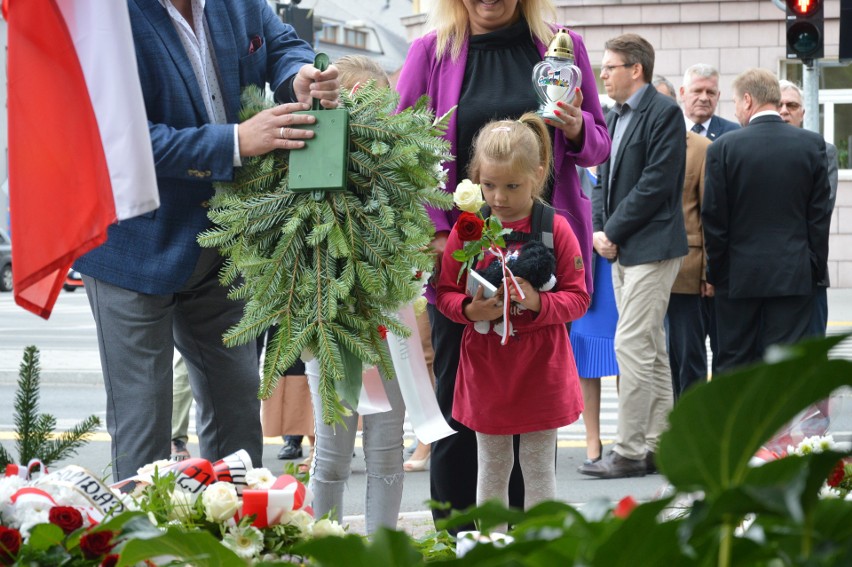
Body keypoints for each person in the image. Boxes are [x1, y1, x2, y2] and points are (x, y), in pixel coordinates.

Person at [74, 0, 340, 481]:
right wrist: (236, 141)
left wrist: (299, 72)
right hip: (131, 247)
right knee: (144, 432)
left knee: (238, 420)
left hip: (224, 241)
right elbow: (119, 137)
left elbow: (280, 43)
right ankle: (145, 553)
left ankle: (232, 544)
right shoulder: (103, 16)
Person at [395, 0, 610, 525]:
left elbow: (598, 145)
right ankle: (459, 533)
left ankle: (531, 534)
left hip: (543, 257)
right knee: (456, 402)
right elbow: (405, 153)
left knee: (535, 407)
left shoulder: (562, 46)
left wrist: (576, 124)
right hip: (462, 253)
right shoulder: (430, 52)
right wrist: (441, 234)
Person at [436, 113, 590, 513]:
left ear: (538, 175)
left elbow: (578, 298)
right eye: (488, 185)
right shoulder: (468, 229)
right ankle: (492, 550)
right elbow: (445, 294)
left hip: (542, 367)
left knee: (538, 467)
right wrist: (471, 309)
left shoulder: (555, 228)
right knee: (492, 465)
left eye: (512, 186)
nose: (499, 197)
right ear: (475, 178)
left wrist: (538, 302)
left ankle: (541, 547)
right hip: (488, 368)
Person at [305, 54, 407, 535]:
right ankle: (323, 549)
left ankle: (381, 550)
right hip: (330, 331)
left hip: (389, 330)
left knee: (388, 451)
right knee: (330, 457)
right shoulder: (308, 171)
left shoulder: (396, 178)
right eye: (360, 109)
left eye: (381, 109)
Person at [579, 33, 687, 480]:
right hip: (622, 247)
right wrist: (599, 230)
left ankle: (627, 451)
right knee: (652, 349)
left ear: (635, 69)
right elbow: (601, 179)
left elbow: (657, 184)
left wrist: (614, 230)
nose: (602, 74)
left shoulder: (663, 113)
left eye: (610, 66)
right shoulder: (613, 115)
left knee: (630, 345)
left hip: (653, 247)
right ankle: (662, 445)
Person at [702, 69, 832, 372]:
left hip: (737, 278)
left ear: (747, 100)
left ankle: (741, 421)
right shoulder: (812, 145)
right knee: (786, 368)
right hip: (793, 275)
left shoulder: (723, 148)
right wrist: (812, 268)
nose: (735, 110)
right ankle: (785, 422)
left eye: (734, 102)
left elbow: (714, 219)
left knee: (734, 363)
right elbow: (819, 219)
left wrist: (717, 273)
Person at [654, 75, 713, 400]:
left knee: (687, 358)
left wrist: (709, 273)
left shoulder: (702, 148)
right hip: (639, 265)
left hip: (686, 272)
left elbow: (710, 214)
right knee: (648, 359)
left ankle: (693, 433)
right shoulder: (638, 143)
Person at [778, 80, 839, 338]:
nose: (784, 111)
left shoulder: (823, 151)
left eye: (792, 105)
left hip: (808, 269)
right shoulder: (750, 149)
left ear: (803, 113)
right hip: (763, 275)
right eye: (778, 104)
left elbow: (822, 209)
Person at [569, 163, 619, 466]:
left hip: (621, 262)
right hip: (587, 269)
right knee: (587, 361)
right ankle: (592, 440)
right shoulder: (574, 169)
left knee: (627, 355)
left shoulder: (620, 163)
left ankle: (626, 436)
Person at [680, 63, 740, 141]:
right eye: (697, 91)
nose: (704, 98)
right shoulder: (667, 130)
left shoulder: (734, 133)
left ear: (718, 96)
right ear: (682, 93)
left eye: (710, 92)